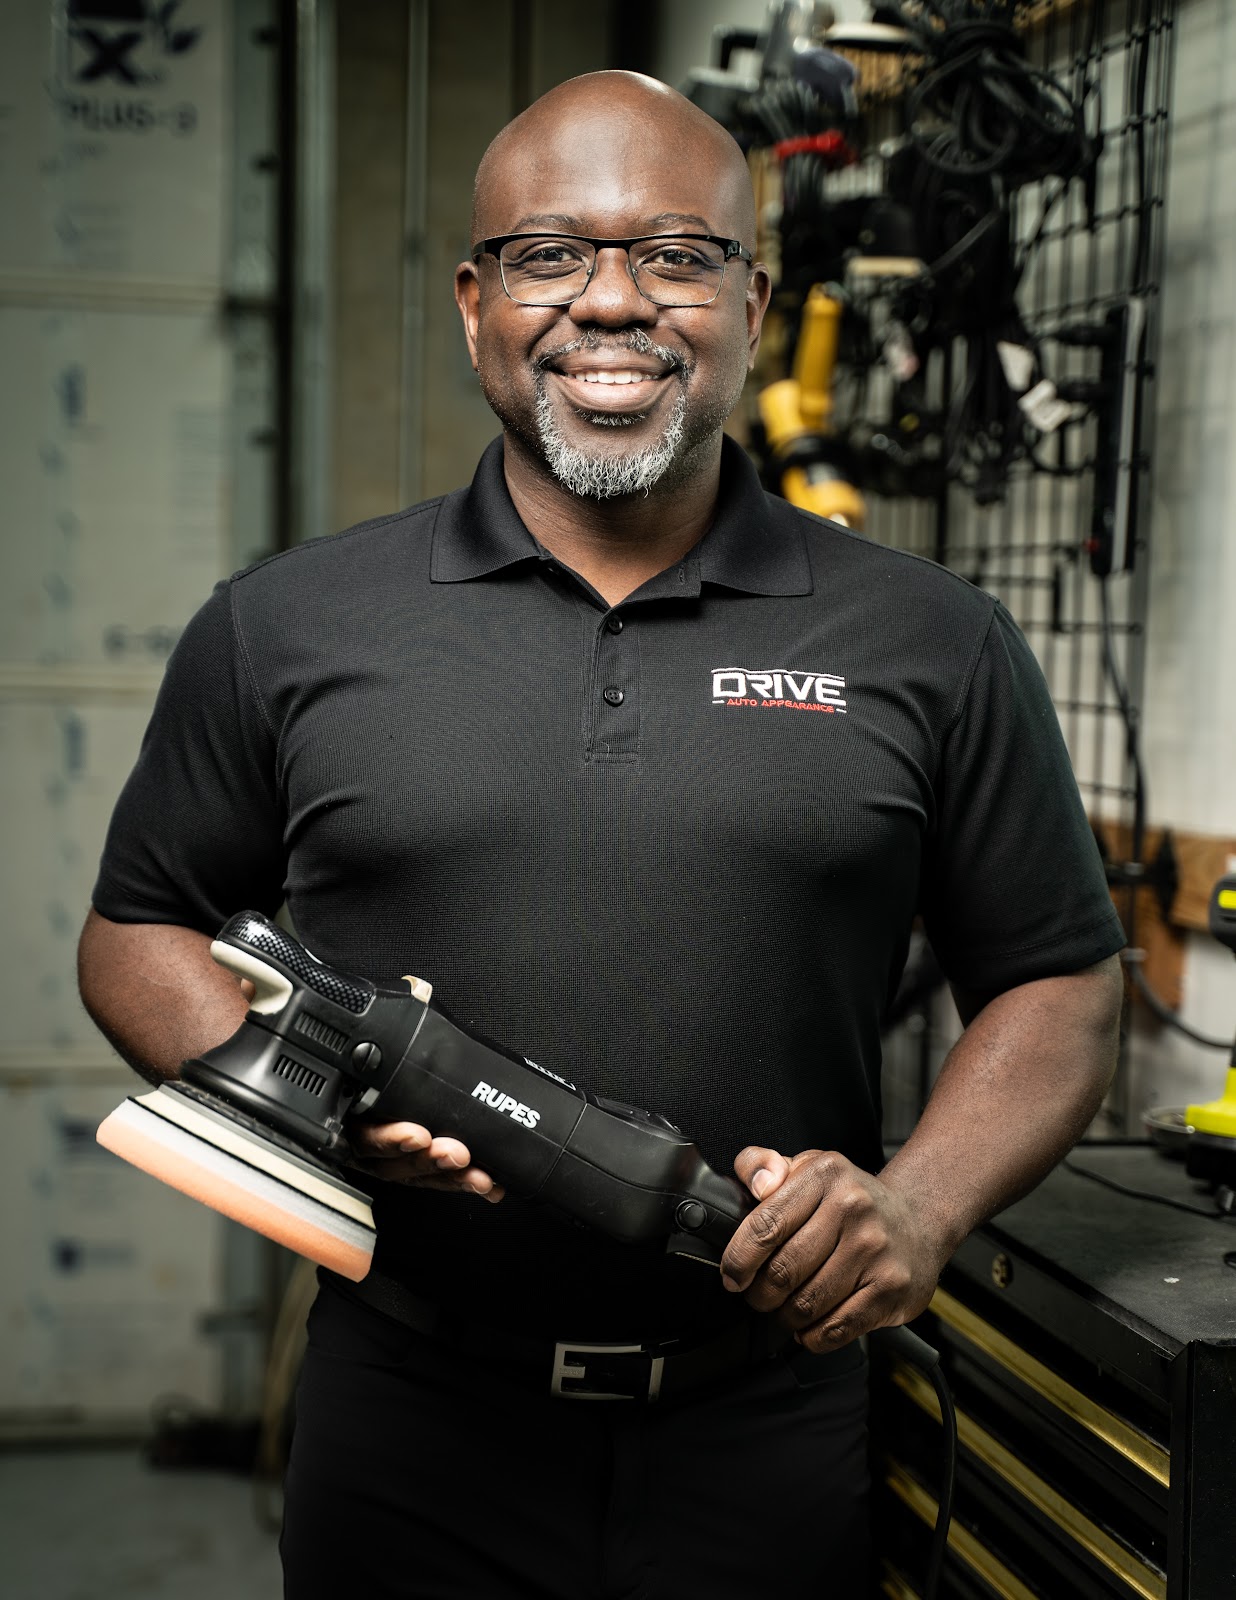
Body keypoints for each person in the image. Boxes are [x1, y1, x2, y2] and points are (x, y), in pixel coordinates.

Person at [79, 71, 1124, 1600]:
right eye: (553, 255)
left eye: (679, 256)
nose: (613, 304)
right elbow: (136, 931)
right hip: (409, 1422)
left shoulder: (932, 640)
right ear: (476, 300)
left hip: (768, 1421)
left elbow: (1060, 980)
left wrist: (917, 1204)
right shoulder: (287, 626)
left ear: (755, 301)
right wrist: (304, 1115)